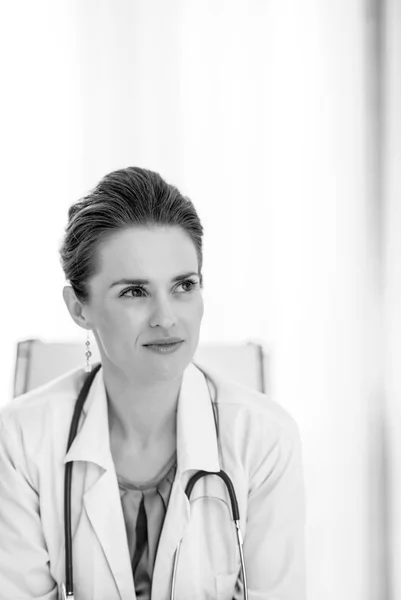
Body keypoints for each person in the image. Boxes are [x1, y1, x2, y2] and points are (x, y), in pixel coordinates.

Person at [0, 167, 306, 600]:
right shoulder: (18, 442)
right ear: (78, 308)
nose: (166, 317)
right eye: (134, 292)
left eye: (184, 285)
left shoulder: (265, 438)